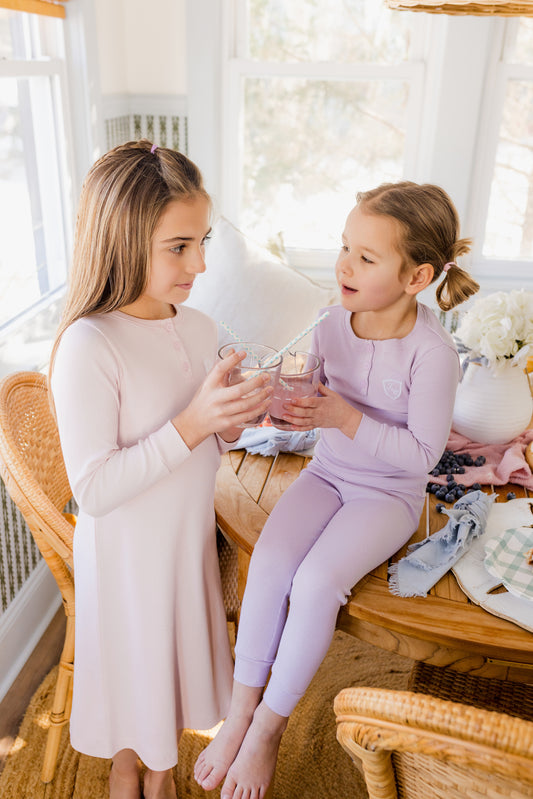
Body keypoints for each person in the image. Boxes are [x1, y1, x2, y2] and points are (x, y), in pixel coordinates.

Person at [194, 181, 480, 799]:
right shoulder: (328, 322)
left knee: (316, 583)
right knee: (267, 562)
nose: (344, 264)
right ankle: (240, 713)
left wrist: (342, 418)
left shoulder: (433, 354)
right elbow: (313, 395)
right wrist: (280, 408)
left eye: (366, 257)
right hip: (328, 474)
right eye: (345, 246)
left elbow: (424, 456)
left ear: (416, 276)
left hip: (390, 496)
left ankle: (269, 728)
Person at [49, 140, 274, 799]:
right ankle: (130, 767)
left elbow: (206, 440)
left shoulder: (199, 326)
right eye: (179, 246)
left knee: (170, 675)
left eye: (201, 241)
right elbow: (94, 489)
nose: (200, 263)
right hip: (127, 557)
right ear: (121, 240)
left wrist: (237, 415)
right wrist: (196, 421)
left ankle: (160, 764)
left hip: (184, 543)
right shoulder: (89, 344)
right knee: (136, 672)